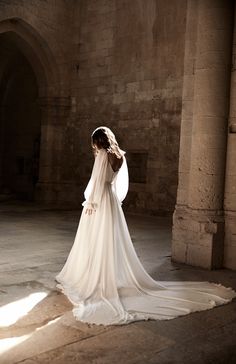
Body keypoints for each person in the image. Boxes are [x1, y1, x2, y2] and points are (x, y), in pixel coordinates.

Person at [56, 126, 236, 326]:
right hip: (112, 201)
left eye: (94, 143)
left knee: (94, 238)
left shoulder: (102, 155)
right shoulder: (120, 156)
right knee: (109, 238)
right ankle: (107, 275)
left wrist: (89, 202)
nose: (94, 147)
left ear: (98, 141)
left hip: (99, 201)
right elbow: (118, 185)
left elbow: (96, 182)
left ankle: (97, 278)